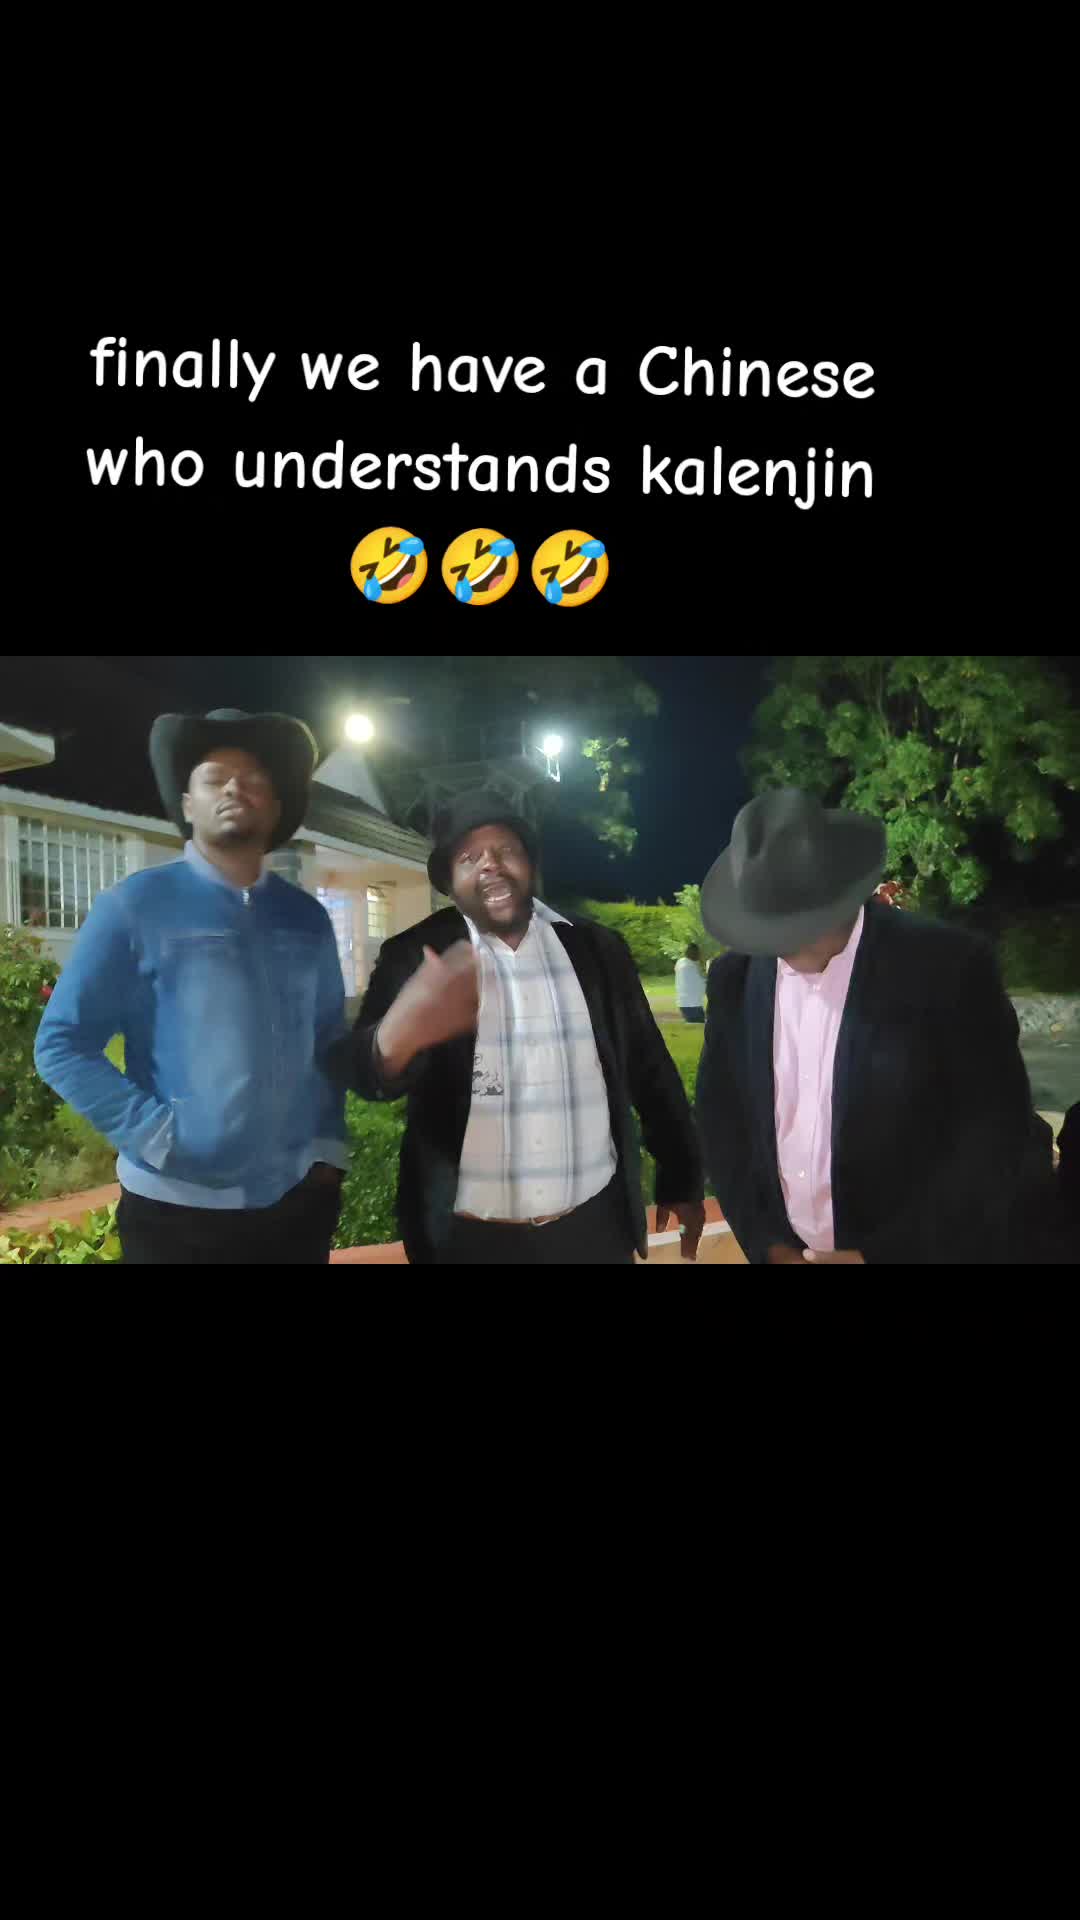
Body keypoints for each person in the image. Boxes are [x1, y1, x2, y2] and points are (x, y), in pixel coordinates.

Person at [34, 708, 348, 1265]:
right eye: (214, 778)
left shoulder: (307, 919)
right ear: (186, 805)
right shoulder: (134, 906)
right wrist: (156, 1135)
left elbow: (327, 1041)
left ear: (276, 807)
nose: (234, 788)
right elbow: (62, 1044)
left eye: (254, 780)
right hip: (175, 1214)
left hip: (294, 1205)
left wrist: (327, 1151)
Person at [338, 790, 706, 1266]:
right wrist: (401, 1030)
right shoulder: (413, 957)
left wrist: (681, 1174)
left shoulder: (597, 949)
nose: (490, 864)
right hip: (469, 1242)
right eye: (469, 858)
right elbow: (365, 1074)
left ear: (530, 863)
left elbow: (649, 1066)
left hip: (595, 1230)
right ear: (450, 882)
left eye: (505, 850)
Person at [694, 787, 1039, 1266]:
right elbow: (722, 1119)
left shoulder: (949, 967)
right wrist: (767, 1245)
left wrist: (880, 1256)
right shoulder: (734, 979)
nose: (770, 945)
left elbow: (994, 1135)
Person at [675, 943, 707, 1023]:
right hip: (692, 1004)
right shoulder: (690, 967)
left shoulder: (680, 962)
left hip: (684, 1003)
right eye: (699, 953)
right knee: (700, 1025)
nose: (700, 955)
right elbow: (701, 985)